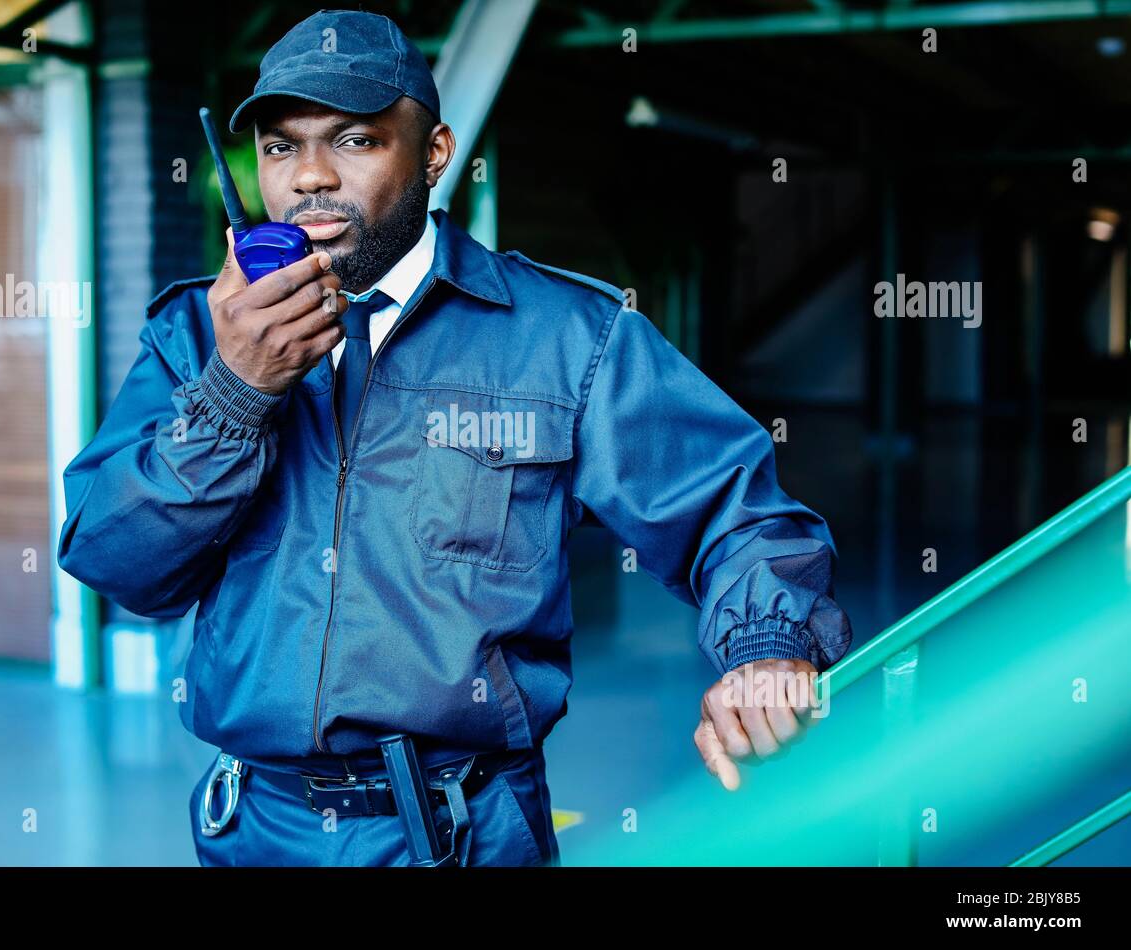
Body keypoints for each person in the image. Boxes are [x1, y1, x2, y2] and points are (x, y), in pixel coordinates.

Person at [57, 9, 853, 867]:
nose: (309, 178)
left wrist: (767, 648)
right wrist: (237, 391)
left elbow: (737, 515)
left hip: (466, 833)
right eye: (281, 147)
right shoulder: (196, 333)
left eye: (355, 141)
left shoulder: (566, 337)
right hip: (255, 829)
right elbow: (113, 561)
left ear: (434, 151)